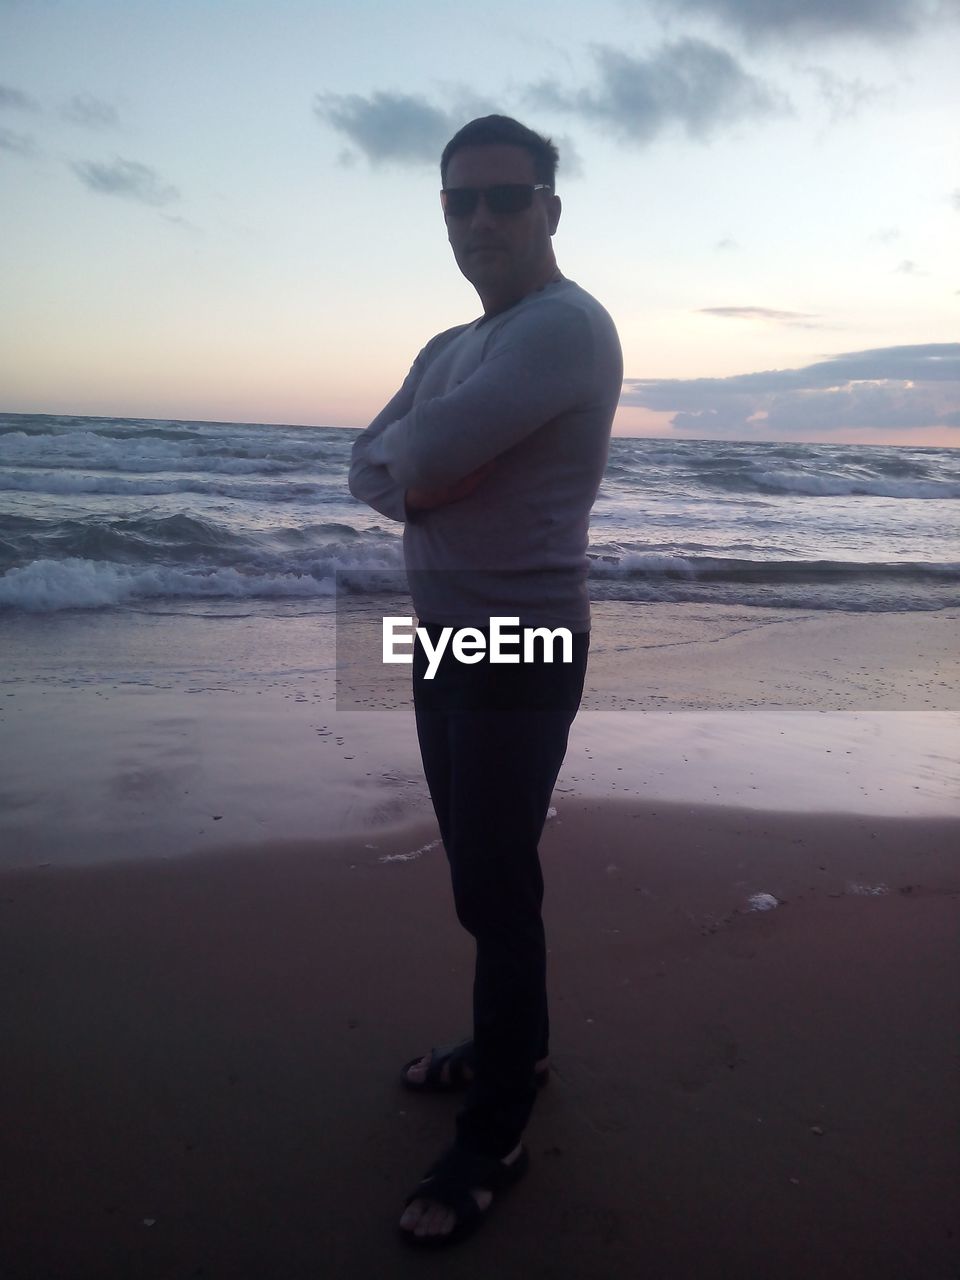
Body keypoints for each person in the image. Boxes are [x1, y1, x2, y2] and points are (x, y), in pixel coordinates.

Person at [348, 114, 622, 1247]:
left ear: (552, 208)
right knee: (474, 869)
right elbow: (368, 460)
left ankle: (498, 1125)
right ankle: (520, 1042)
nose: (483, 221)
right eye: (461, 202)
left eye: (507, 197)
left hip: (525, 639)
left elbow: (416, 455)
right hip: (440, 635)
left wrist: (418, 469)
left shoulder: (566, 328)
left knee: (496, 880)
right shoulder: (451, 343)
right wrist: (418, 475)